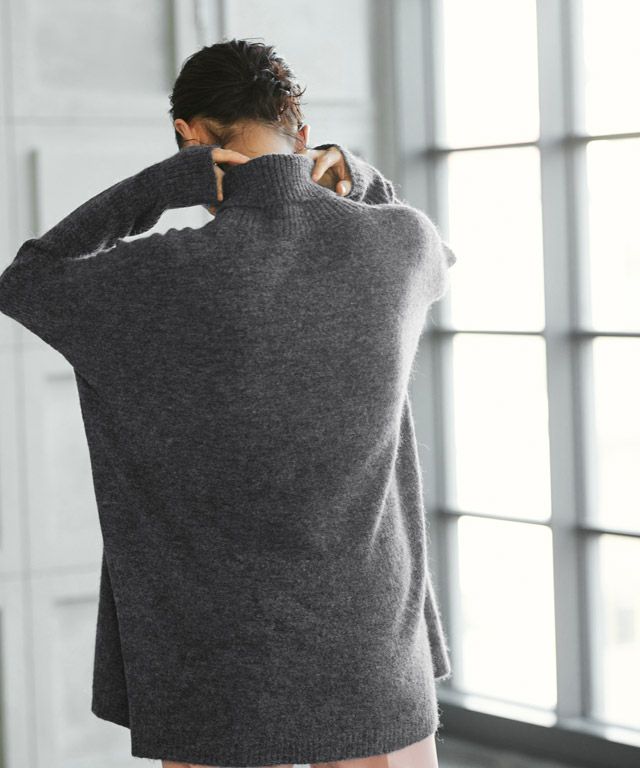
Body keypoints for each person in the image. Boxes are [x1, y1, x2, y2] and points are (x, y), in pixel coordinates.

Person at [0, 38, 455, 768]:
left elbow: (26, 280)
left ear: (189, 138)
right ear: (301, 133)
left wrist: (157, 188)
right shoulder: (400, 244)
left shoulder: (164, 274)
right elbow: (437, 253)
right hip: (372, 637)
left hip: (218, 653)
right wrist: (361, 177)